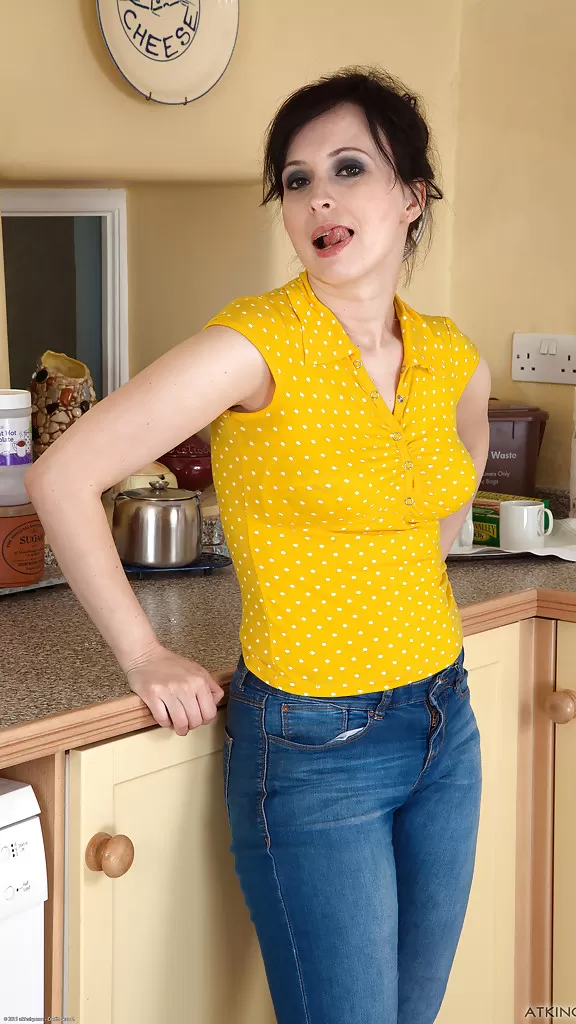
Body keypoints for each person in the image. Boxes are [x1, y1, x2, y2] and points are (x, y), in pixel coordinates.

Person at [26, 66, 491, 1024]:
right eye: (295, 179)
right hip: (316, 747)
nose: (318, 197)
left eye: (349, 168)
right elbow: (60, 477)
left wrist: (413, 561)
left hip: (446, 722)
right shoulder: (254, 345)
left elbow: (458, 464)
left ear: (412, 195)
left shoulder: (450, 354)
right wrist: (143, 653)